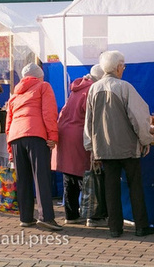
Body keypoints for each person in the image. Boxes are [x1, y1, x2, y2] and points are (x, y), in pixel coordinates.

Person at [84, 50, 154, 238]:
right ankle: (141, 225)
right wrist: (145, 139)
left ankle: (115, 228)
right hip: (128, 147)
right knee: (135, 186)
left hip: (104, 148)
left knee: (111, 188)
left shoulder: (93, 88)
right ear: (117, 67)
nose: (123, 68)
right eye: (123, 65)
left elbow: (89, 120)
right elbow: (138, 118)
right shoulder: (125, 87)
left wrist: (90, 146)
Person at [6, 63, 62, 231]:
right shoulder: (43, 86)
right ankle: (46, 217)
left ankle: (26, 217)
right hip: (36, 135)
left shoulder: (14, 95)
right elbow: (49, 112)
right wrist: (53, 136)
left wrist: (10, 148)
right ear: (39, 76)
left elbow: (8, 122)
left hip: (16, 137)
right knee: (41, 177)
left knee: (23, 178)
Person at [51, 64, 105, 227]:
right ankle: (93, 216)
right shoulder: (92, 90)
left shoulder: (77, 88)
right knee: (89, 176)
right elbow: (93, 118)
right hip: (80, 135)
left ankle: (71, 214)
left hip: (65, 134)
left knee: (70, 176)